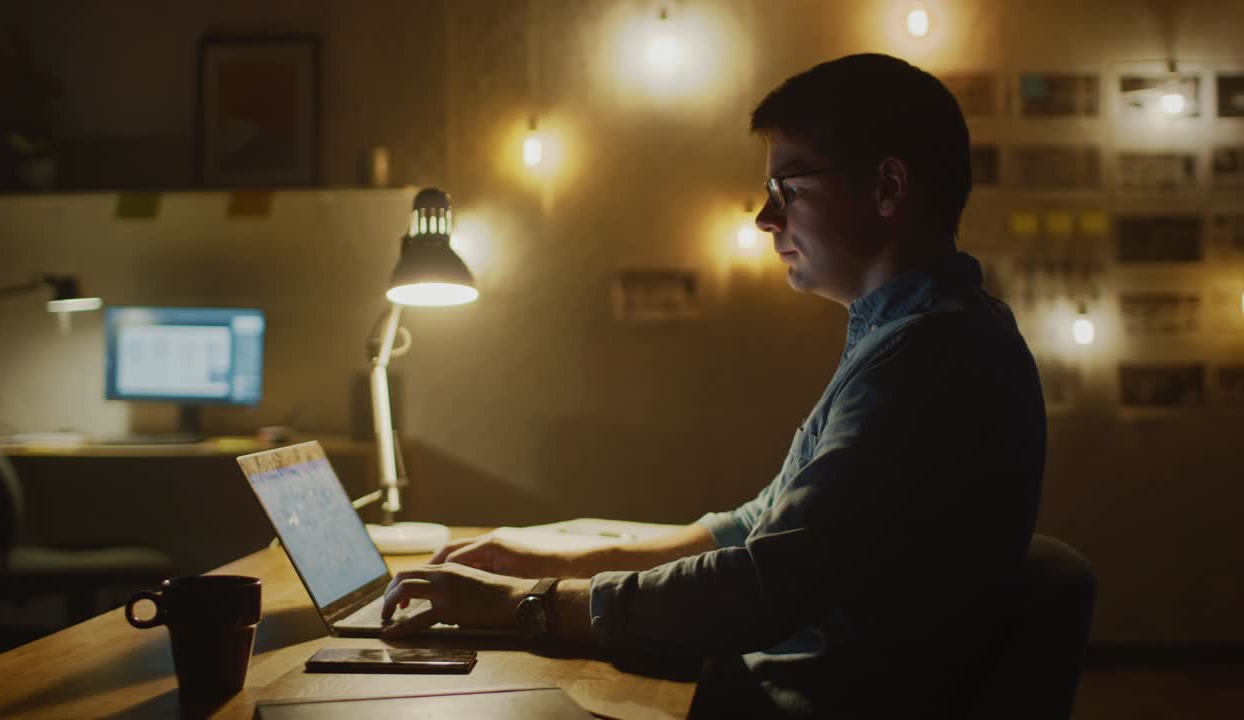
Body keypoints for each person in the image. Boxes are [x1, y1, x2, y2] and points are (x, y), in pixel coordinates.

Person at [381, 53, 1045, 718]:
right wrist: (563, 561)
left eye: (786, 190)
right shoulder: (911, 334)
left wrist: (524, 606)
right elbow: (759, 528)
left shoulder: (929, 358)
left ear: (887, 188)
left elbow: (763, 586)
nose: (764, 218)